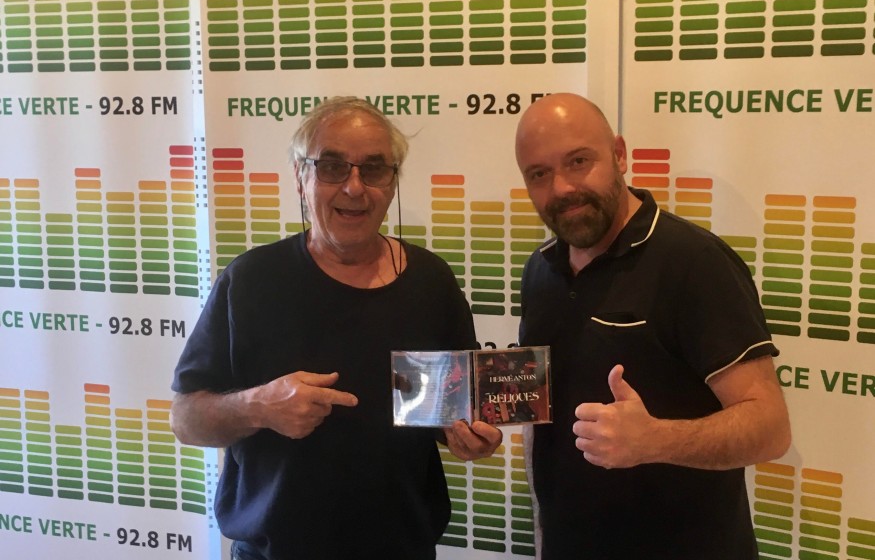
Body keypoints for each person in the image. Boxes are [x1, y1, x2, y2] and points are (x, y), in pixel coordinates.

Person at [170, 96, 502, 560]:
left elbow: (457, 409)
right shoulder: (251, 281)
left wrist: (468, 435)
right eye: (331, 167)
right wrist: (259, 407)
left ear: (392, 183)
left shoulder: (432, 281)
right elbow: (186, 419)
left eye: (374, 168)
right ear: (300, 178)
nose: (354, 187)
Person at [514, 93, 791, 560]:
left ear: (620, 155)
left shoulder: (694, 262)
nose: (561, 188)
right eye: (538, 174)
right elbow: (543, 403)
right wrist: (482, 420)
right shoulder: (540, 271)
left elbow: (771, 427)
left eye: (578, 161)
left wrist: (655, 440)